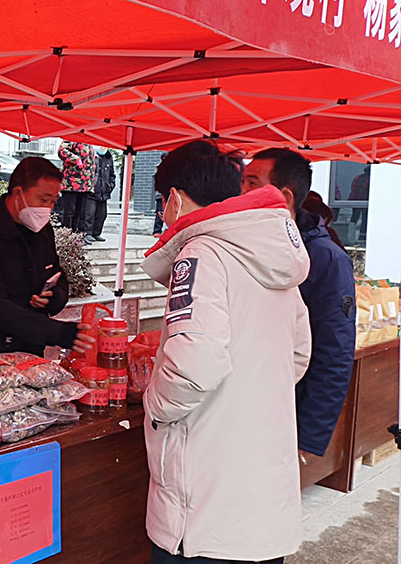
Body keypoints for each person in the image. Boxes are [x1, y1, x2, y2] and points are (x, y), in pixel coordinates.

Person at [142, 140, 311, 563]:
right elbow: (298, 352)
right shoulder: (270, 252)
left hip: (207, 511)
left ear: (174, 198)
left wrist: (156, 407)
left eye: (163, 202)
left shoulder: (201, 251)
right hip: (263, 507)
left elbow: (195, 364)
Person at [243, 149, 356, 459]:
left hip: (285, 409)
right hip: (242, 403)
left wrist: (307, 436)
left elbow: (335, 352)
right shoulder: (245, 245)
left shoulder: (326, 258)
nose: (242, 192)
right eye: (242, 182)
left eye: (252, 183)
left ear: (284, 196)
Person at [0, 157, 95, 356]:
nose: (48, 208)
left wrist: (53, 298)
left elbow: (57, 275)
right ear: (18, 193)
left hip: (30, 349)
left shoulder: (43, 230)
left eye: (53, 201)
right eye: (43, 199)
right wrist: (57, 333)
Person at [57, 141, 96, 231]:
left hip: (85, 184)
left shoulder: (89, 141)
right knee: (70, 211)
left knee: (79, 212)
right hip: (71, 183)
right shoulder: (72, 138)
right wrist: (76, 159)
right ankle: (66, 234)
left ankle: (74, 235)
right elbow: (62, 151)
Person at [81, 146, 116, 242]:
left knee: (102, 214)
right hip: (91, 192)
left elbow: (112, 175)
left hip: (103, 192)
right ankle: (87, 233)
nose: (103, 148)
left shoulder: (109, 157)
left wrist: (110, 186)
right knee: (89, 214)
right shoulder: (90, 155)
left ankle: (96, 233)